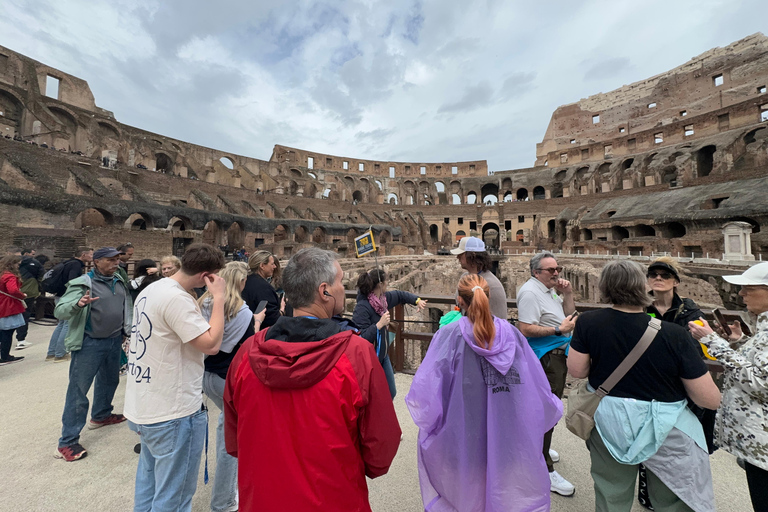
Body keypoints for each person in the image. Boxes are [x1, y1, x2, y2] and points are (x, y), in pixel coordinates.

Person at [224, 247, 401, 512]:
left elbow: (235, 440)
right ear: (324, 291)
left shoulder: (247, 354)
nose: (344, 287)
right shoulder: (356, 356)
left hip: (262, 500)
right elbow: (380, 452)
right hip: (334, 500)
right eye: (340, 281)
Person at [568, 260, 721, 512]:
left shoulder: (589, 322)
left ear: (605, 287)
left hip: (609, 418)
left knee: (611, 491)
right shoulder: (674, 334)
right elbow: (709, 399)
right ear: (643, 287)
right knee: (672, 497)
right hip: (665, 423)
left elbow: (577, 370)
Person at [406, 274, 562, 511]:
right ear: (488, 298)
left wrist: (432, 423)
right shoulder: (511, 334)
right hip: (506, 429)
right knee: (501, 485)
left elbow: (427, 391)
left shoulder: (449, 335)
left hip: (463, 430)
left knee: (469, 488)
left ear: (460, 300)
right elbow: (534, 383)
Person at [124, 243, 227, 511]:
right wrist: (219, 298)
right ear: (207, 275)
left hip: (147, 404)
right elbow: (211, 344)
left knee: (149, 484)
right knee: (175, 495)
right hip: (173, 410)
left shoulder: (154, 288)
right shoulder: (177, 298)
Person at [689, 262, 768, 511]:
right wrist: (739, 343)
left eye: (748, 288)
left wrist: (713, 342)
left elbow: (760, 383)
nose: (741, 294)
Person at [640, 257, 712, 510]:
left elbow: (700, 348)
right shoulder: (639, 307)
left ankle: (680, 495)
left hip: (679, 386)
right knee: (648, 442)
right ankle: (648, 495)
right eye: (653, 274)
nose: (658, 278)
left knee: (680, 445)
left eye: (665, 275)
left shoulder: (690, 311)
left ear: (676, 282)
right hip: (647, 385)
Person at [53, 247, 133, 461]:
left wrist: (127, 330)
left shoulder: (119, 280)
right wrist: (77, 304)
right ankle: (67, 442)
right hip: (90, 343)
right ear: (96, 262)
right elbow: (60, 310)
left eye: (117, 259)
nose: (116, 263)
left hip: (115, 339)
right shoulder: (83, 283)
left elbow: (126, 306)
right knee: (78, 391)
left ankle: (101, 415)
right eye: (110, 260)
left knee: (109, 381)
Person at [200, 261, 266, 512]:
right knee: (232, 439)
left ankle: (228, 493)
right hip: (227, 378)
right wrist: (256, 322)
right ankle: (223, 501)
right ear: (238, 282)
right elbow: (250, 347)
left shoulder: (204, 304)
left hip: (206, 376)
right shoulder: (243, 312)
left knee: (225, 426)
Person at [516, 251, 577, 496]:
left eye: (557, 269)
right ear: (536, 272)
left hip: (557, 356)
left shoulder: (548, 290)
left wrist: (568, 294)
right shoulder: (530, 293)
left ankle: (538, 448)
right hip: (546, 359)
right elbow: (525, 329)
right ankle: (545, 470)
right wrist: (557, 330)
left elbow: (570, 317)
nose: (556, 273)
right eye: (550, 270)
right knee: (545, 412)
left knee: (547, 411)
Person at [352, 269, 426, 399]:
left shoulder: (383, 300)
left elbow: (400, 295)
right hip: (369, 357)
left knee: (391, 391)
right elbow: (360, 338)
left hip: (382, 355)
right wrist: (379, 325)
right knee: (370, 394)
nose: (388, 284)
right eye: (386, 281)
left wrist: (417, 300)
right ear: (380, 285)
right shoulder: (362, 307)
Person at [46, 247, 93, 362]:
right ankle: (60, 354)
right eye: (91, 255)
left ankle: (51, 353)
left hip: (59, 294)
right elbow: (73, 282)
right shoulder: (76, 265)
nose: (92, 257)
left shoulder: (67, 262)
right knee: (68, 324)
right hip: (67, 297)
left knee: (61, 324)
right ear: (83, 255)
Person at [451, 236, 507, 319]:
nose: (457, 257)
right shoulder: (465, 277)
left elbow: (497, 320)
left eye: (461, 254)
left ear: (471, 256)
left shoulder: (492, 285)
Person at [242, 250, 283, 328]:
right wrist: (282, 310)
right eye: (272, 264)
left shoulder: (245, 281)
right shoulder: (264, 288)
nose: (275, 266)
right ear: (262, 266)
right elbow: (273, 319)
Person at [0, 255, 28, 364]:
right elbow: (13, 290)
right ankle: (5, 356)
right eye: (17, 264)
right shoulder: (10, 276)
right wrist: (22, 295)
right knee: (7, 332)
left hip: (1, 302)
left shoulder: (1, 274)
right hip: (9, 305)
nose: (18, 266)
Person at [16, 248, 44, 349]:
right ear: (26, 253)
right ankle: (21, 340)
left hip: (13, 293)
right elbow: (41, 276)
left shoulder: (9, 263)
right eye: (32, 254)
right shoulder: (36, 264)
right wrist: (39, 288)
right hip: (29, 292)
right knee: (25, 316)